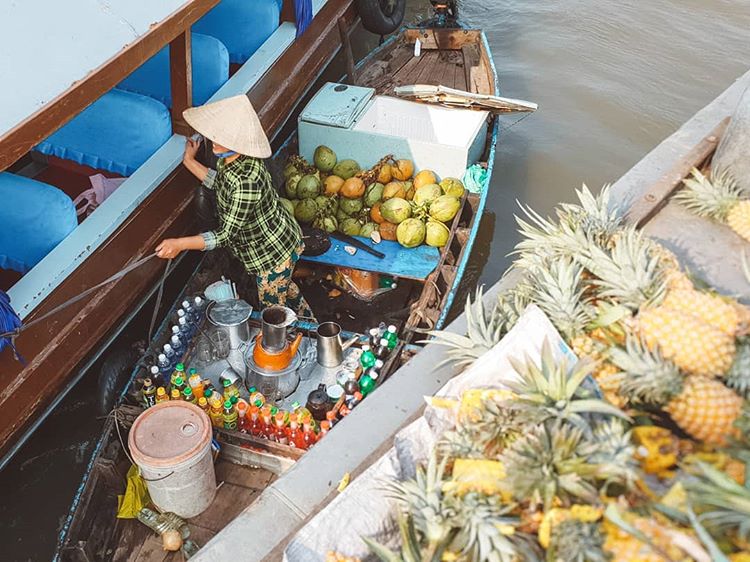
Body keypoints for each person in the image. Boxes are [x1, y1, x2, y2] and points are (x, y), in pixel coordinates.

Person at [155, 95, 313, 318]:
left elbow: (224, 236)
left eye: (223, 138)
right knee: (284, 288)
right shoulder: (232, 160)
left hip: (272, 254)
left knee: (272, 313)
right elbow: (220, 183)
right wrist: (189, 161)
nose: (214, 141)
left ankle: (293, 339)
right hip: (279, 240)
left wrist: (180, 243)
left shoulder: (244, 183)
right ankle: (309, 322)